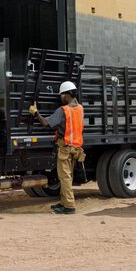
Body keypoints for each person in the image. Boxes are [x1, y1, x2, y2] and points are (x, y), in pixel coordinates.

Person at [29, 81, 84, 214]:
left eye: (62, 95)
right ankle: (64, 203)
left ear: (68, 94)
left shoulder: (63, 110)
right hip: (76, 149)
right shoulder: (80, 108)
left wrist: (35, 113)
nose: (60, 97)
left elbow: (46, 123)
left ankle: (69, 206)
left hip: (65, 149)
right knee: (67, 178)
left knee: (64, 178)